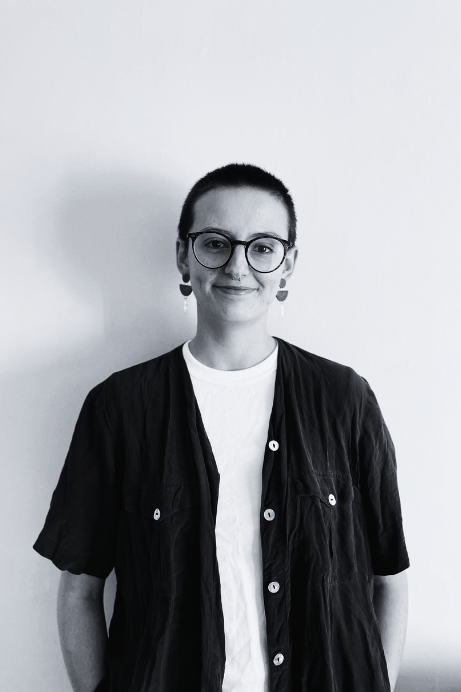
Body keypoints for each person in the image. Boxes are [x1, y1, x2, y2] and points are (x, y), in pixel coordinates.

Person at [33, 163, 409, 692]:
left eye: (262, 247)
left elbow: (389, 579)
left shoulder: (344, 399)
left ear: (286, 265)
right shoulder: (120, 408)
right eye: (215, 243)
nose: (237, 266)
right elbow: (79, 590)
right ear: (183, 256)